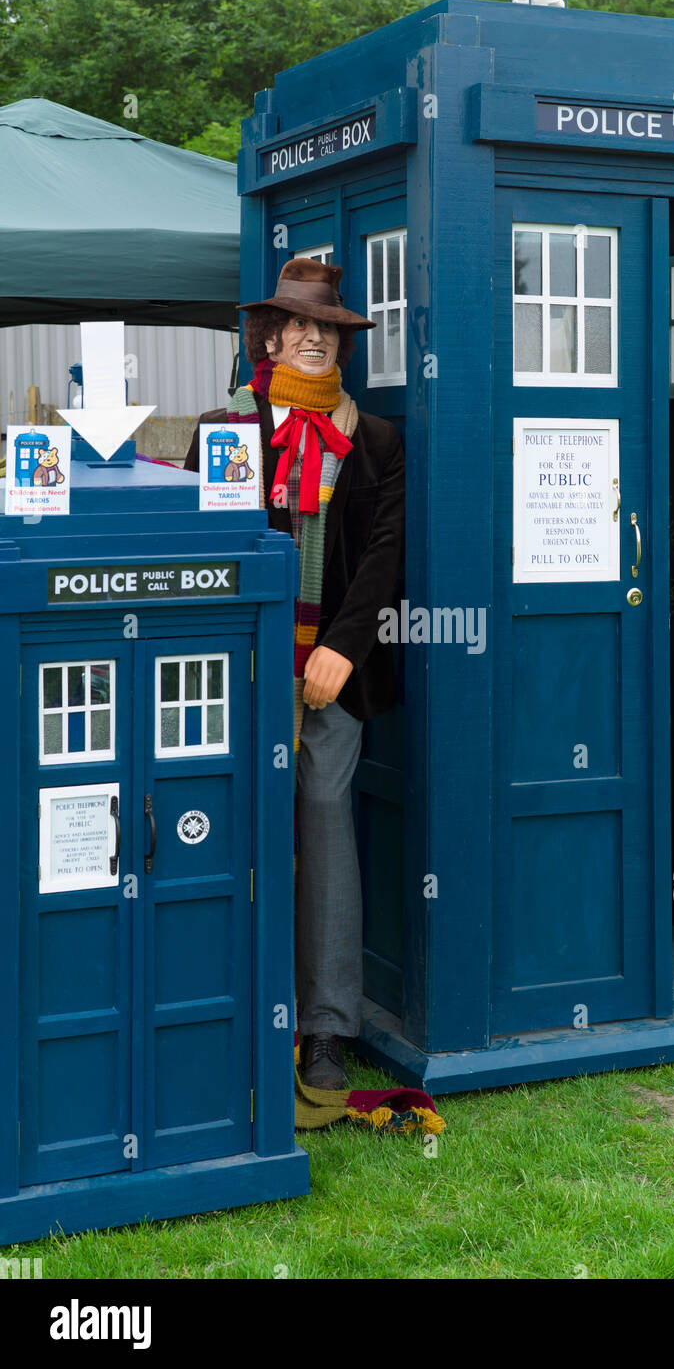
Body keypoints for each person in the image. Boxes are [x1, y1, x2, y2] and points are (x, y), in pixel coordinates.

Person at [185, 257, 405, 1088]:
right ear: (270, 337)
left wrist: (340, 652)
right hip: (242, 672)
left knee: (324, 825)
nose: (312, 338)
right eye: (297, 326)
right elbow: (207, 556)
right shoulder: (226, 430)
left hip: (330, 673)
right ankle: (233, 1006)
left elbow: (384, 557)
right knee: (235, 828)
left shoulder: (376, 440)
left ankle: (325, 1027)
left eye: (327, 329)